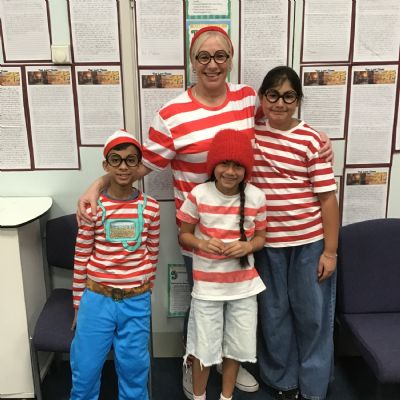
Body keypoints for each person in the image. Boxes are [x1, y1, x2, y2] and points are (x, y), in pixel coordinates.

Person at [76, 26, 333, 399]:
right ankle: (192, 363)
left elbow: (281, 121)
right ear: (192, 62)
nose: (212, 64)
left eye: (220, 56)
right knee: (203, 307)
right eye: (203, 57)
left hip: (244, 231)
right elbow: (140, 165)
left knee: (240, 304)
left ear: (230, 59)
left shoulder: (247, 99)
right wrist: (97, 184)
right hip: (198, 233)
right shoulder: (171, 114)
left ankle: (234, 364)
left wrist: (318, 138)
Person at [252, 66, 339, 400]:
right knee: (273, 316)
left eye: (288, 96)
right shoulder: (251, 134)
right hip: (267, 245)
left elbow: (328, 199)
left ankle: (314, 388)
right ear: (262, 98)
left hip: (309, 245)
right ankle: (283, 382)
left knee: (313, 317)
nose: (280, 103)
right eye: (273, 95)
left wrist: (329, 251)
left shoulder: (311, 140)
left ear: (298, 100)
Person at [70, 129, 160, 400]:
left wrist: (145, 290)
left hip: (136, 300)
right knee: (85, 370)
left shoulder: (151, 207)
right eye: (116, 160)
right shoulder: (92, 207)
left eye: (131, 160)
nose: (123, 166)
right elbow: (81, 256)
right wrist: (78, 305)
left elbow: (152, 252)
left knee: (134, 370)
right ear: (105, 165)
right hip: (97, 299)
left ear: (138, 165)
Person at [177, 129, 267, 400]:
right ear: (213, 165)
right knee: (203, 346)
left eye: (238, 165)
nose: (230, 171)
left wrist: (248, 246)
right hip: (207, 288)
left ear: (246, 169)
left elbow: (261, 237)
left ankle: (226, 396)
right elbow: (184, 234)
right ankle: (199, 395)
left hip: (244, 287)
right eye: (224, 164)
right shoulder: (199, 194)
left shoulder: (256, 196)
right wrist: (202, 244)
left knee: (237, 345)